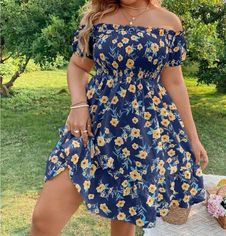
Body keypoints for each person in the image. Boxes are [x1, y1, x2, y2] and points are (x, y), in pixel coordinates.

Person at [29, 0, 209, 235]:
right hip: (93, 125)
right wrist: (78, 104)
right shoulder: (96, 17)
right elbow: (78, 66)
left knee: (124, 224)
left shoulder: (169, 23)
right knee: (43, 220)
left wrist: (192, 138)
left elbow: (174, 82)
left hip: (141, 134)